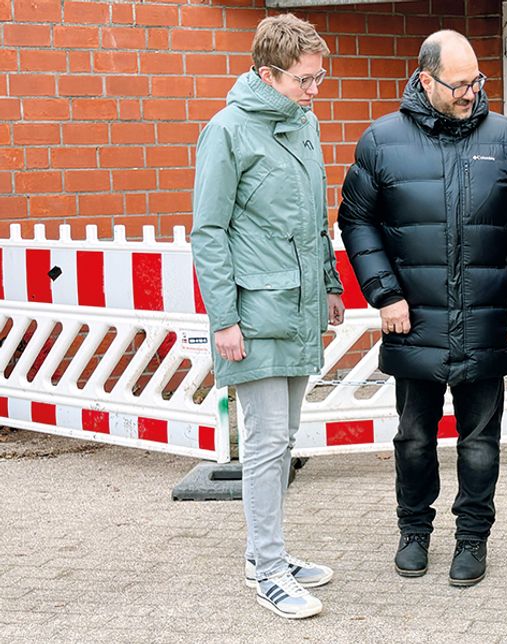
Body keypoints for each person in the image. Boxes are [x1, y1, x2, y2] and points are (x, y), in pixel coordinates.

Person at [337, 30, 507, 588]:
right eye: (459, 83)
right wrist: (384, 293)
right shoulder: (381, 141)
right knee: (413, 437)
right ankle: (414, 531)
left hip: (486, 315)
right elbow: (356, 220)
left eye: (477, 81)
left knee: (480, 439)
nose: (471, 93)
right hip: (414, 317)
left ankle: (472, 539)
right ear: (425, 79)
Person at [191, 14, 345, 620]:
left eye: (320, 77)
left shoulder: (303, 123)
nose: (315, 90)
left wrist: (331, 281)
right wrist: (224, 318)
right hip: (253, 314)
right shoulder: (226, 132)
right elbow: (209, 232)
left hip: (300, 306)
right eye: (305, 80)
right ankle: (268, 570)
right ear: (267, 74)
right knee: (262, 442)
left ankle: (267, 555)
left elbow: (314, 214)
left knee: (282, 439)